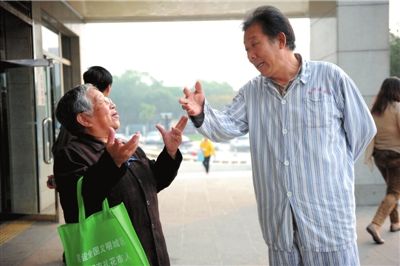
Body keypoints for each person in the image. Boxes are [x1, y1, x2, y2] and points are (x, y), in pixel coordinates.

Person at [179, 5, 376, 265]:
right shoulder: (252, 93)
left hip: (329, 223)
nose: (250, 55)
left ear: (280, 40)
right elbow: (225, 125)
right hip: (280, 227)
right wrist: (201, 112)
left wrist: (331, 174)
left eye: (255, 45)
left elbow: (362, 130)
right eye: (246, 50)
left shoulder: (330, 79)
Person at [54, 84, 188, 265]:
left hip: (152, 251)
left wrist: (170, 152)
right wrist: (112, 162)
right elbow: (83, 198)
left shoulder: (125, 146)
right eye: (102, 101)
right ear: (85, 119)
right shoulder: (71, 154)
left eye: (109, 100)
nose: (112, 105)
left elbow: (155, 181)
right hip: (117, 254)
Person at [364, 76, 400, 244]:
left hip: (379, 156)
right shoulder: (398, 108)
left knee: (391, 189)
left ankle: (395, 222)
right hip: (396, 157)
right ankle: (376, 224)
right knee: (395, 192)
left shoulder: (375, 110)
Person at [52, 66, 113, 156]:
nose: (111, 106)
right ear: (108, 88)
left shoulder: (74, 107)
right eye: (102, 102)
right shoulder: (75, 151)